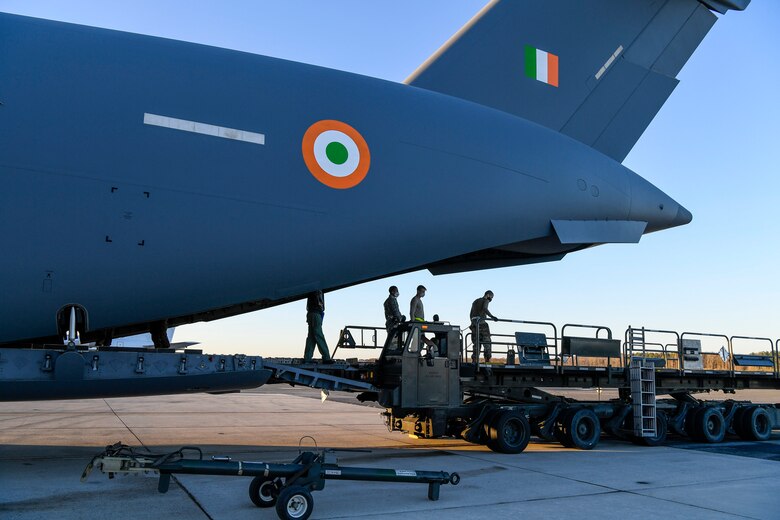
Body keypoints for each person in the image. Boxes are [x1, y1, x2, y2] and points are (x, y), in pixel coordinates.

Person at [470, 290, 498, 364]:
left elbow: (471, 314)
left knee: (476, 343)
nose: (491, 299)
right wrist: (492, 317)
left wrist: (473, 323)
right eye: (491, 297)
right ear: (488, 295)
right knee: (487, 342)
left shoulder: (475, 301)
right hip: (481, 324)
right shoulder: (485, 300)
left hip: (474, 324)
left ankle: (474, 359)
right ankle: (487, 359)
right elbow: (485, 308)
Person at [303, 290, 332, 362]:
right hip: (316, 314)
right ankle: (326, 357)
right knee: (319, 335)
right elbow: (320, 303)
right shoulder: (317, 289)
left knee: (311, 337)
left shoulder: (312, 290)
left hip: (311, 314)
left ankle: (307, 358)